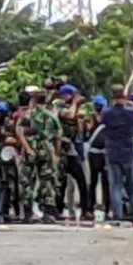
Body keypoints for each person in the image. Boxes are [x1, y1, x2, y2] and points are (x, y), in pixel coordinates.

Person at [100, 85, 133, 227]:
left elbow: (101, 121)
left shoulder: (107, 113)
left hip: (112, 150)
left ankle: (117, 215)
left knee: (115, 185)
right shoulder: (131, 112)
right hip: (128, 149)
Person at [16, 89, 62, 223]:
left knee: (26, 181)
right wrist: (57, 154)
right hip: (47, 150)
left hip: (30, 150)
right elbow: (58, 136)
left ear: (33, 101)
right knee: (47, 181)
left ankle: (27, 213)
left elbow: (20, 133)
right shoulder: (52, 116)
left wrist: (28, 148)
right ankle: (47, 212)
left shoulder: (27, 115)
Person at [55, 84, 91, 221]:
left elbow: (80, 129)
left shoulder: (76, 109)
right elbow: (68, 115)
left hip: (71, 149)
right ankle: (57, 209)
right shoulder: (58, 106)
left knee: (81, 180)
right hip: (61, 150)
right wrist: (75, 104)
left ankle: (85, 209)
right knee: (61, 182)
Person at [84, 95, 110, 218]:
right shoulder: (91, 118)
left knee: (106, 182)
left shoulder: (108, 119)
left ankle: (108, 207)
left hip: (105, 153)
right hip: (94, 153)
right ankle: (90, 207)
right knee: (93, 181)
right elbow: (87, 131)